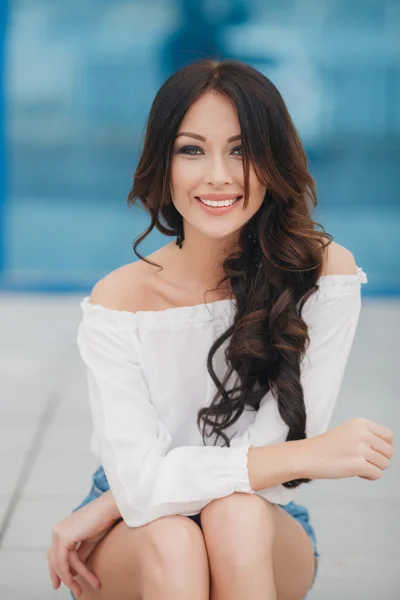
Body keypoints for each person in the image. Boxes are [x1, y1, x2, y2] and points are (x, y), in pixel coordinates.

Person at [47, 59, 394, 600]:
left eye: (241, 149)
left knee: (235, 513)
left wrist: (130, 493)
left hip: (259, 515)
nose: (219, 175)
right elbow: (144, 485)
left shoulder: (323, 275)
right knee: (173, 541)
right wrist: (313, 454)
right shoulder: (119, 300)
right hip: (135, 524)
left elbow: (273, 456)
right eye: (192, 150)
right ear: (163, 164)